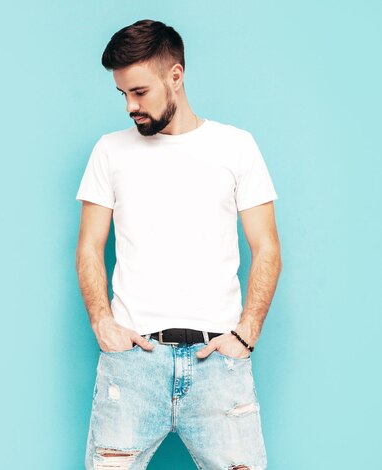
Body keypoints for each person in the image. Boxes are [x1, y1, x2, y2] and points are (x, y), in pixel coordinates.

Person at [75, 19, 282, 470]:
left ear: (176, 76)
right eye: (123, 94)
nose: (131, 105)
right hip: (132, 366)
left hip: (218, 367)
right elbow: (90, 246)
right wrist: (102, 324)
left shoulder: (236, 147)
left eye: (140, 92)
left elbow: (266, 247)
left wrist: (246, 334)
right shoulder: (109, 152)